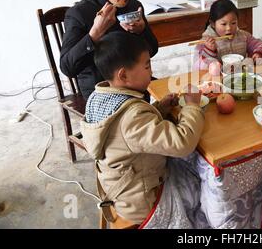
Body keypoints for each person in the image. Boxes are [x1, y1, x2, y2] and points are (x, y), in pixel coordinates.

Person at [81, 31, 205, 228]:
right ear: (123, 75)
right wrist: (192, 106)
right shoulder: (132, 116)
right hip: (141, 200)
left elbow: (126, 134)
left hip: (121, 184)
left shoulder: (99, 97)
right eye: (147, 65)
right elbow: (182, 143)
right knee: (206, 188)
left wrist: (160, 108)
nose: (151, 70)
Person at [60, 0, 158, 99]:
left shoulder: (134, 6)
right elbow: (68, 67)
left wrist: (141, 31)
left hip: (136, 84)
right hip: (101, 90)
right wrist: (95, 33)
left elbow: (153, 49)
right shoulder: (79, 13)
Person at [193, 0, 262, 70]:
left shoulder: (243, 36)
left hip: (240, 77)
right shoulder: (204, 42)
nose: (229, 28)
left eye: (233, 23)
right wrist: (209, 51)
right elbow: (198, 68)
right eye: (224, 24)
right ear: (213, 23)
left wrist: (259, 53)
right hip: (218, 81)